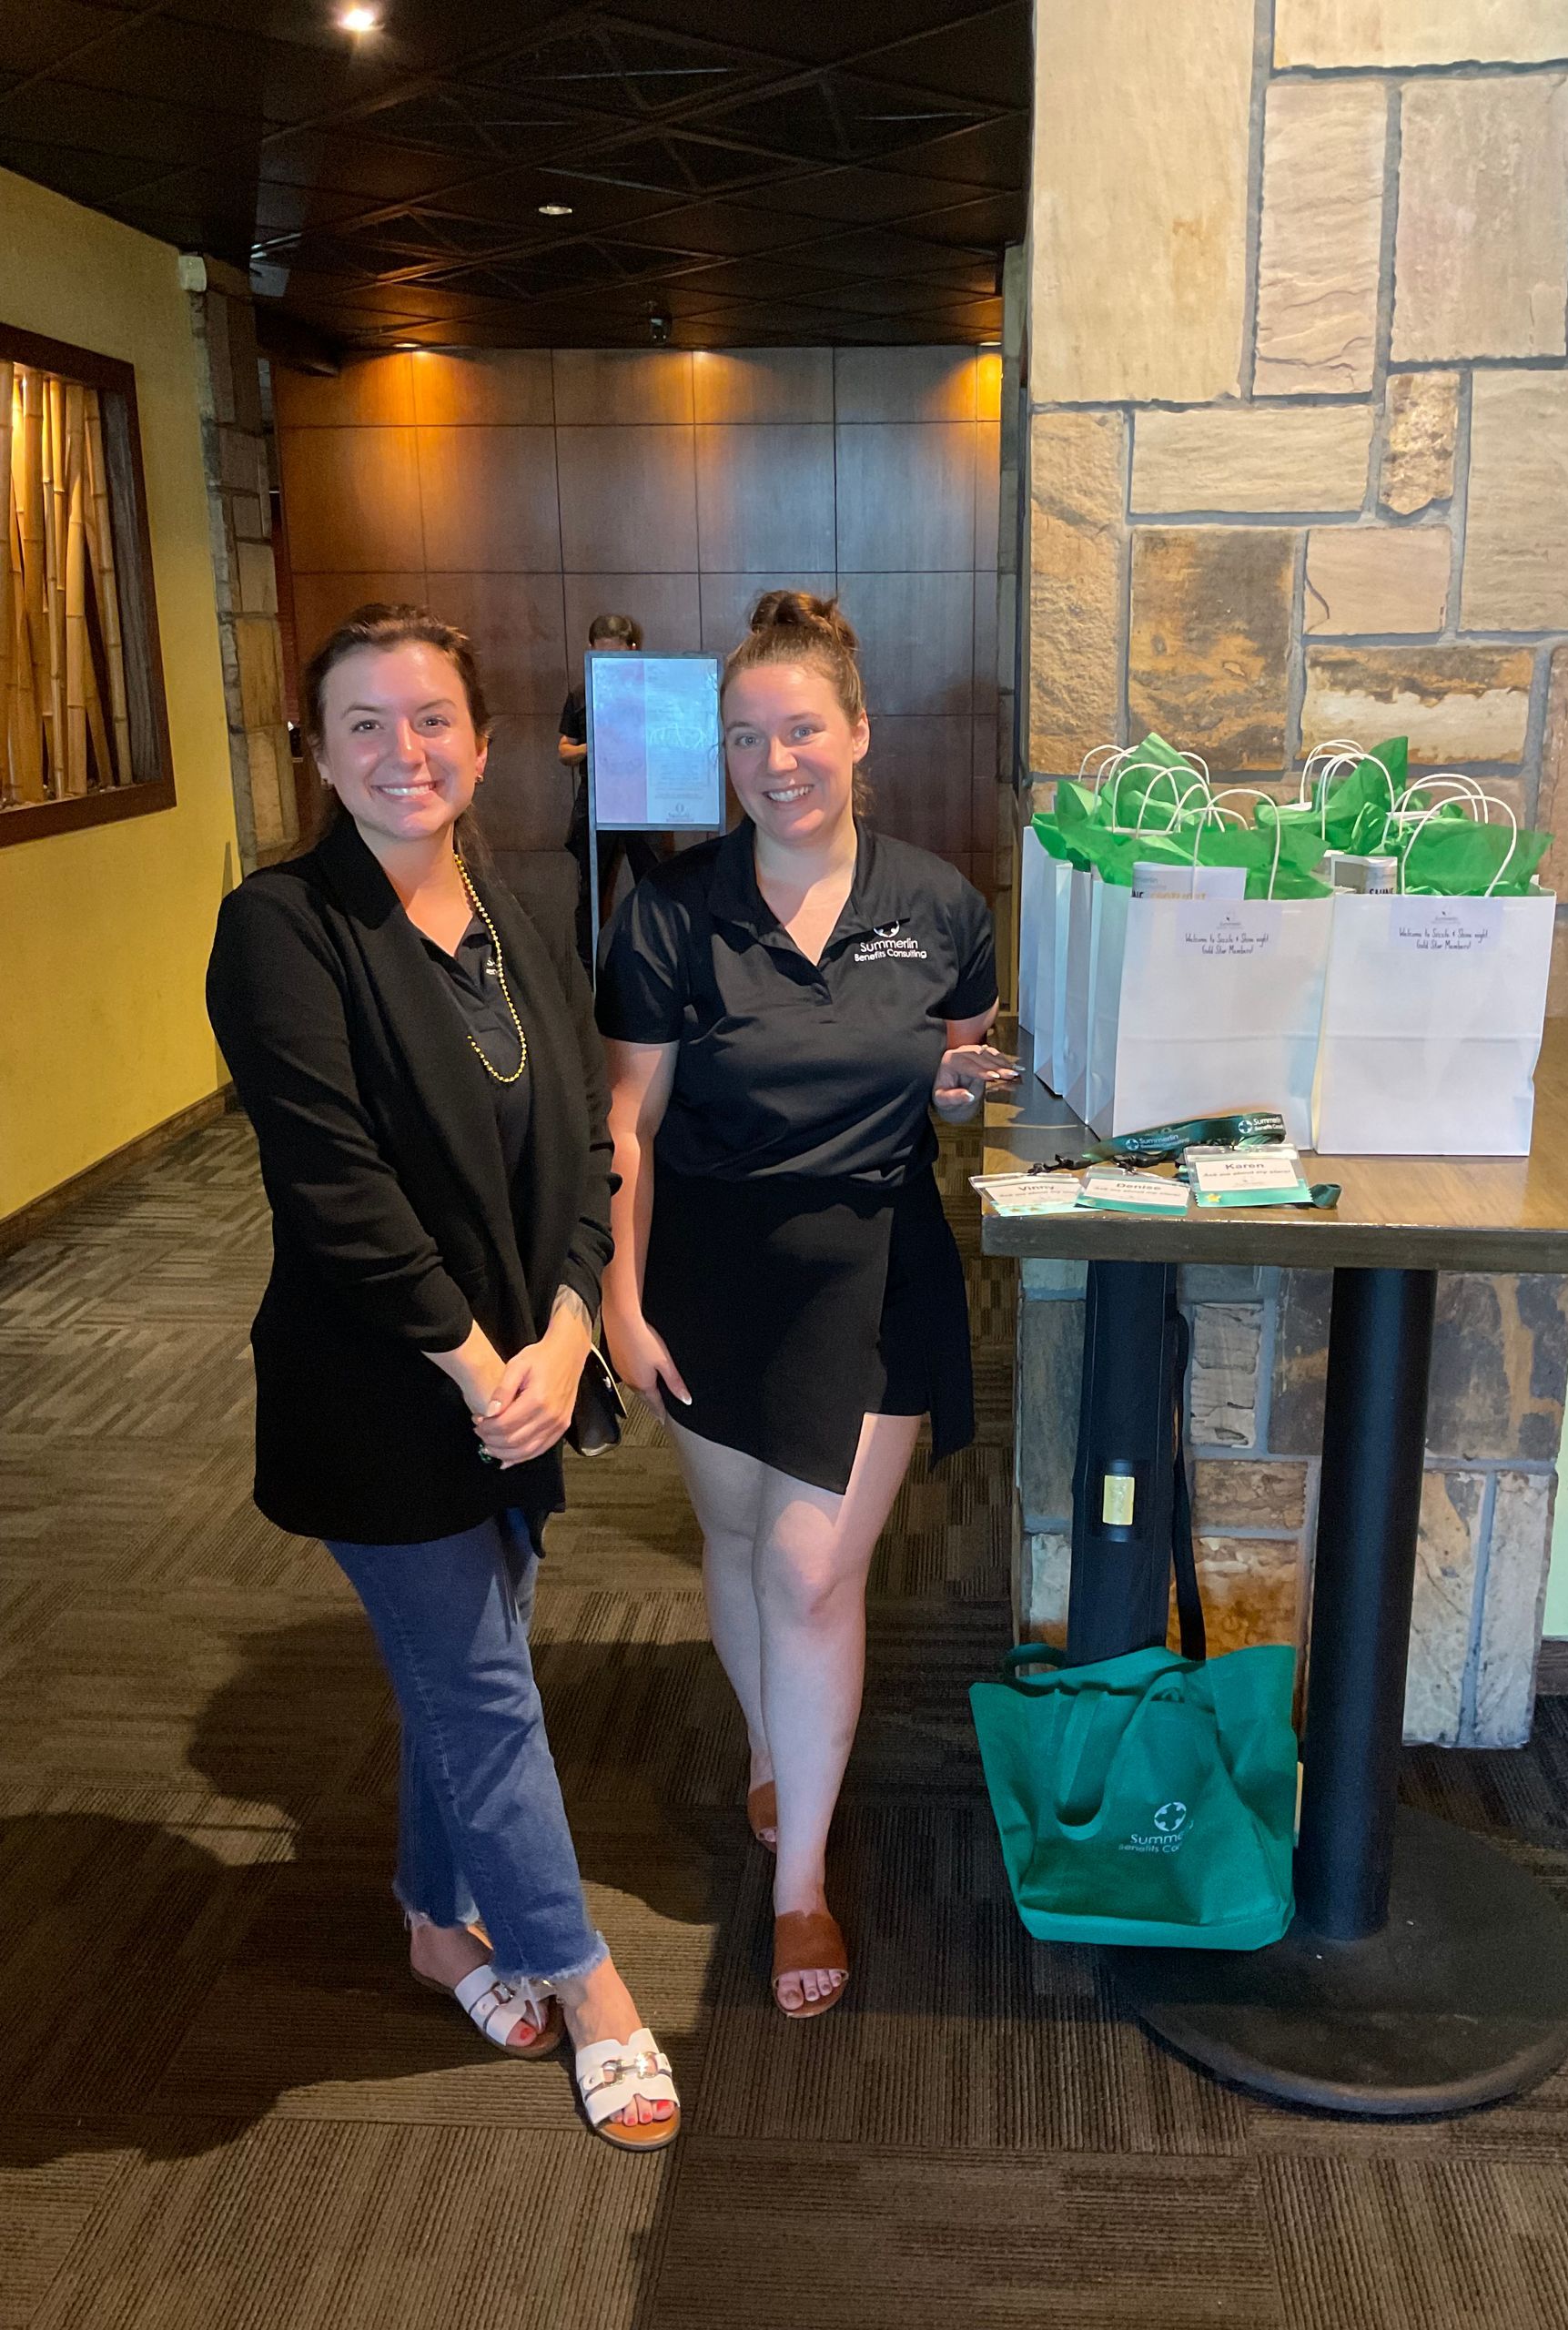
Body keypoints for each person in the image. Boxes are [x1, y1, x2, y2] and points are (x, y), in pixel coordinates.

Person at [206, 603, 678, 2152]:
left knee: (458, 1674)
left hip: (526, 1379)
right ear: (320, 753)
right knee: (483, 1690)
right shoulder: (283, 926)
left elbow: (584, 1150)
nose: (402, 752)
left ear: (479, 747)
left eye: (430, 721)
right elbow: (338, 1190)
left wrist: (562, 1330)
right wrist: (483, 1367)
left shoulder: (519, 909)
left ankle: (432, 1919)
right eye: (364, 723)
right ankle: (584, 1978)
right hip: (385, 1392)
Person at [594, 593, 1013, 2021]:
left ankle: (801, 1884)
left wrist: (964, 1095)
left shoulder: (941, 904)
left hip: (872, 1265)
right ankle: (773, 1743)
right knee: (728, 1535)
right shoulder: (664, 912)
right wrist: (620, 1299)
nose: (776, 761)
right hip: (707, 1270)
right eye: (746, 737)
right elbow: (628, 1125)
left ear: (858, 735)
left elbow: (964, 1077)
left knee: (808, 1569)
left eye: (802, 731)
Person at [559, 611, 664, 936]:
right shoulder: (580, 693)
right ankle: (590, 971)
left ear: (632, 649)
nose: (607, 660)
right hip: (597, 801)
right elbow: (564, 751)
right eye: (599, 652)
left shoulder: (652, 689)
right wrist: (595, 747)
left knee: (657, 886)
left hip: (643, 800)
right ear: (589, 648)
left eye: (615, 653)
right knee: (590, 892)